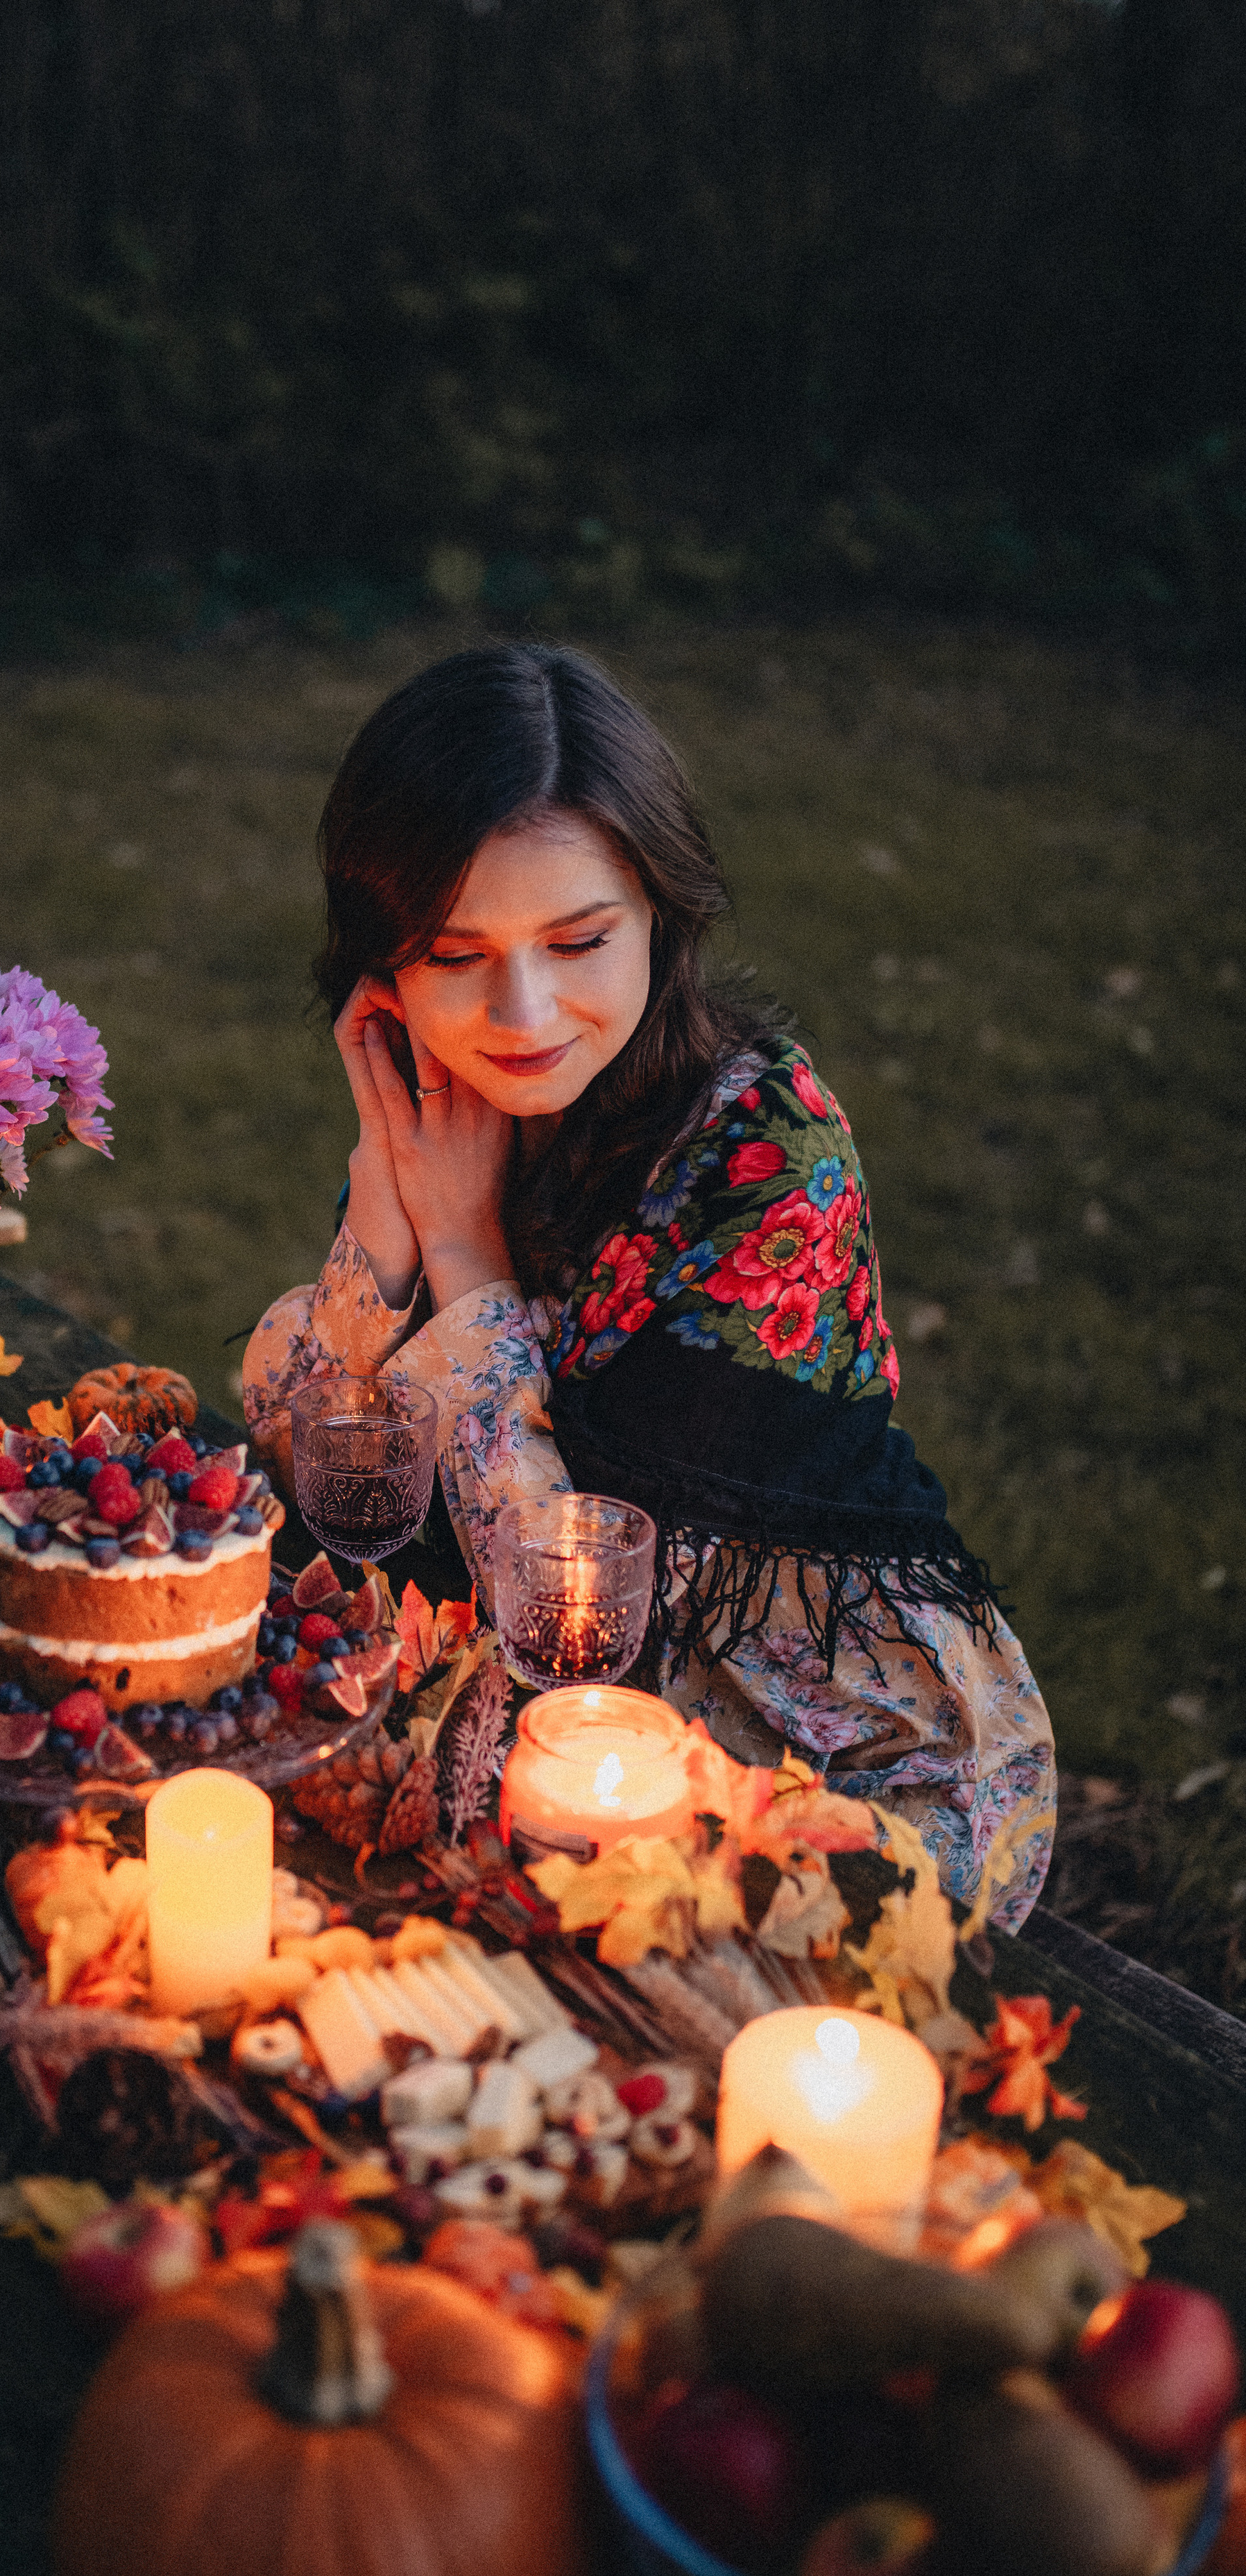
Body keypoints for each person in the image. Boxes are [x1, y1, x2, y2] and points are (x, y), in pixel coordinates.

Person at [244, 643, 1055, 1928]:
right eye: (455, 957)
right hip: (505, 1723)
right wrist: (386, 1227)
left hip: (805, 1770)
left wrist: (463, 1263)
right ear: (380, 970)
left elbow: (580, 1616)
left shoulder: (764, 1158)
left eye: (578, 940)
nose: (523, 1011)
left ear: (662, 913)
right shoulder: (451, 1105)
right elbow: (315, 1460)